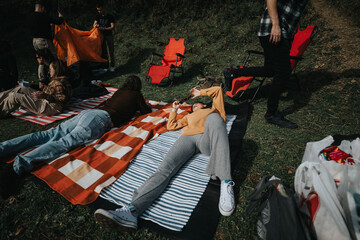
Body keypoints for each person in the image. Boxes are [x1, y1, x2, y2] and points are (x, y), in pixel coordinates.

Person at [94, 86, 235, 231]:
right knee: (164, 170)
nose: (194, 105)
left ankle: (225, 180)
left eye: (197, 104)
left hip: (207, 138)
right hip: (187, 139)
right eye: (193, 106)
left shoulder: (214, 110)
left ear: (204, 104)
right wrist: (174, 110)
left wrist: (201, 92)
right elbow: (171, 125)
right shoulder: (188, 117)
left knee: (215, 118)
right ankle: (132, 211)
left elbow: (218, 90)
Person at [0, 75, 151, 199]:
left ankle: (4, 148)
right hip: (100, 120)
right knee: (64, 142)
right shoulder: (136, 94)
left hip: (89, 113)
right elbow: (146, 111)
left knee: (47, 134)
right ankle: (14, 168)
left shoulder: (119, 91)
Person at [223, 0, 308, 129]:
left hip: (276, 32)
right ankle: (271, 113)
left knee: (270, 70)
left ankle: (233, 73)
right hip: (275, 30)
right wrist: (276, 25)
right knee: (283, 72)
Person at [0, 60, 72, 118]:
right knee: (22, 88)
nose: (49, 71)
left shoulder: (59, 83)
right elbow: (55, 93)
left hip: (49, 108)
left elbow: (62, 100)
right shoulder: (58, 80)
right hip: (46, 101)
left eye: (50, 69)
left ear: (56, 70)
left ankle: (1, 112)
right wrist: (45, 89)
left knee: (14, 96)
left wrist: (44, 96)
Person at [30, 0, 64, 82]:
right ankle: (56, 77)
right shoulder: (43, 15)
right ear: (42, 8)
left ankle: (42, 80)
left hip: (35, 41)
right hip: (43, 41)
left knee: (41, 60)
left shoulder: (30, 16)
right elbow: (58, 21)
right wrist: (61, 17)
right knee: (53, 58)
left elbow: (39, 25)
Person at [93, 4, 115, 72]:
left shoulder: (110, 16)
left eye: (100, 10)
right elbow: (94, 24)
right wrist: (96, 26)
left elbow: (112, 26)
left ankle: (112, 66)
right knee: (103, 52)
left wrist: (105, 29)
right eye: (98, 10)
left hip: (108, 35)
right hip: (101, 36)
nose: (99, 11)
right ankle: (105, 66)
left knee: (110, 51)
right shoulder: (98, 16)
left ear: (104, 8)